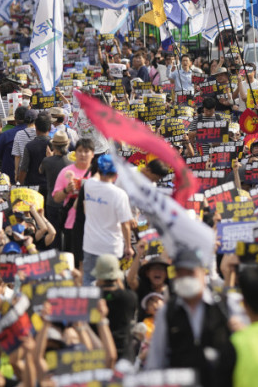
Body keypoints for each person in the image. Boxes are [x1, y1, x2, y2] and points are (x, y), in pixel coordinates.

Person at [145, 247, 231, 382]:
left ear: (203, 273)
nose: (185, 278)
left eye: (190, 272)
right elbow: (156, 360)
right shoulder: (167, 311)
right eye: (180, 273)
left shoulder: (224, 305)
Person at [80, 154, 134, 285]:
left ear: (98, 170)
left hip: (90, 245)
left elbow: (95, 176)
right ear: (116, 174)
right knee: (111, 283)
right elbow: (125, 225)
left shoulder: (89, 185)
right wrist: (128, 247)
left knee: (88, 280)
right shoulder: (119, 194)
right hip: (111, 247)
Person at [92, 254, 138, 362]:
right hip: (125, 356)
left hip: (99, 355)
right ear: (117, 277)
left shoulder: (93, 300)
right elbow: (121, 292)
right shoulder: (130, 297)